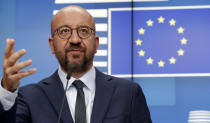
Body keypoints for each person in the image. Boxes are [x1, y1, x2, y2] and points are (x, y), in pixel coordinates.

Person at [0, 5, 152, 123]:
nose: (75, 40)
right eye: (64, 31)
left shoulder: (128, 94)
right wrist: (7, 90)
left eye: (84, 31)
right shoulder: (29, 97)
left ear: (96, 43)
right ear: (52, 45)